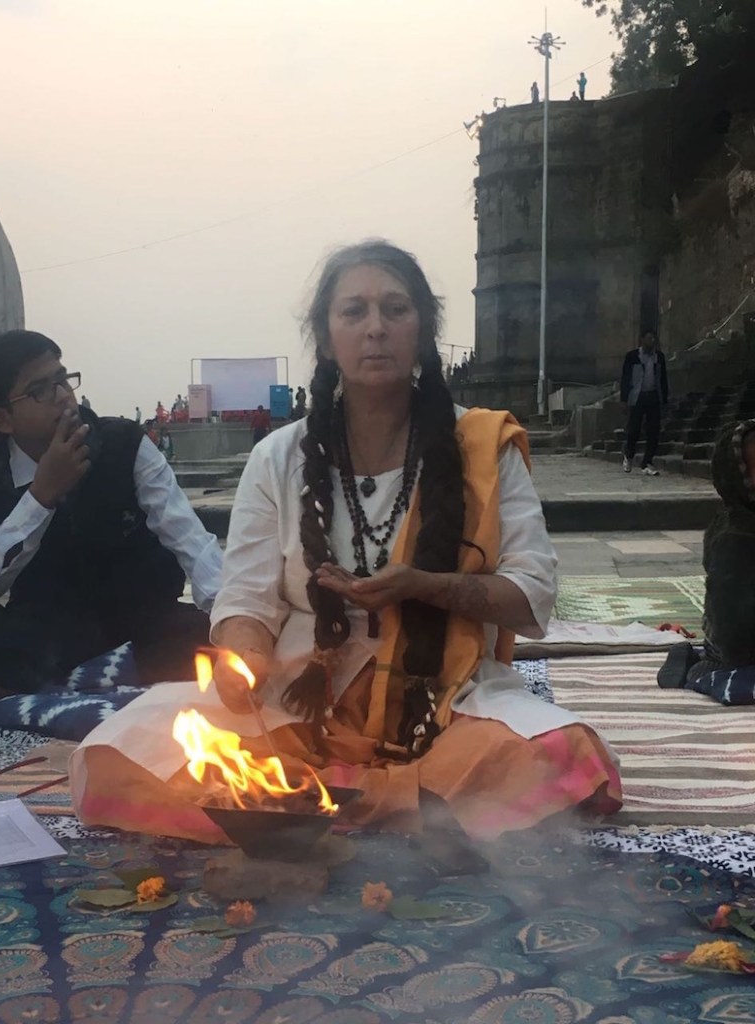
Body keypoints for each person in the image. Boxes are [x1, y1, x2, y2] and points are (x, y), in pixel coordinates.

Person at [173, 239, 616, 841]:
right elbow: (246, 600)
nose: (375, 328)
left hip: (446, 704)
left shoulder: (481, 447)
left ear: (423, 330)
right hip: (298, 710)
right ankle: (406, 809)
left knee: (566, 755)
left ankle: (334, 803)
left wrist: (426, 587)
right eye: (354, 311)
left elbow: (532, 595)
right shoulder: (276, 457)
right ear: (326, 338)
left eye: (395, 309)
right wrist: (241, 659)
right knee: (132, 748)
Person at [0, 331, 223, 696]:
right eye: (40, 390)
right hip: (42, 634)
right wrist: (40, 497)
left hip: (144, 623)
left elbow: (191, 542)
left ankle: (59, 689)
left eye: (62, 379)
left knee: (212, 642)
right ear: (2, 419)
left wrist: (234, 620)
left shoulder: (122, 444)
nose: (63, 396)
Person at [658, 421, 755, 703]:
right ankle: (693, 667)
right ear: (739, 478)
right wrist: (733, 655)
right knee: (734, 679)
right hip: (735, 649)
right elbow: (730, 621)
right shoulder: (735, 538)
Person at [620, 329, 669, 476]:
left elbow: (663, 379)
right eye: (649, 338)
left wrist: (664, 398)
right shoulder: (632, 356)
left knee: (653, 430)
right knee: (633, 429)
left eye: (653, 339)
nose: (651, 341)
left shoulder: (659, 357)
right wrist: (624, 399)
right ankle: (629, 456)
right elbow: (625, 378)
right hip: (637, 396)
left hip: (653, 396)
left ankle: (647, 461)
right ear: (641, 340)